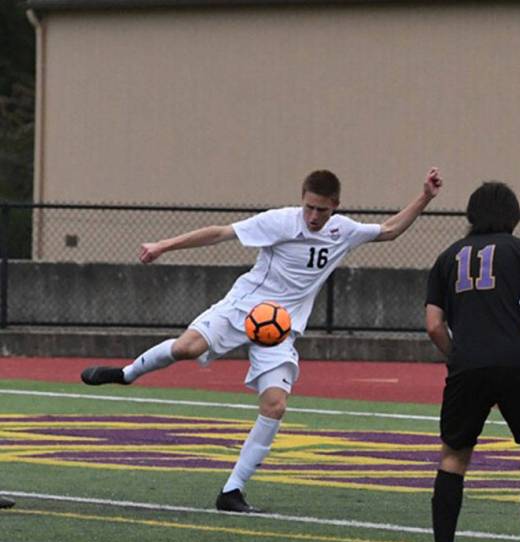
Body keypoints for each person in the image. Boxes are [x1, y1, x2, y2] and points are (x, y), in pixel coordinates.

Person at [80, 167, 443, 512]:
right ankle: (127, 373)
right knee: (186, 348)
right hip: (243, 307)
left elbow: (390, 230)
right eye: (309, 207)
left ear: (335, 207)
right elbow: (220, 233)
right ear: (301, 200)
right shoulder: (280, 221)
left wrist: (424, 197)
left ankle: (232, 490)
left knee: (275, 406)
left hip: (279, 329)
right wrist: (163, 245)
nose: (313, 216)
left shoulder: (343, 231)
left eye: (322, 210)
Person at [422, 181, 520, 542]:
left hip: (467, 366)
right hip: (517, 362)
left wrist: (457, 356)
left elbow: (433, 325)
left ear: (471, 215)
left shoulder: (447, 257)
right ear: (514, 216)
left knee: (453, 457)